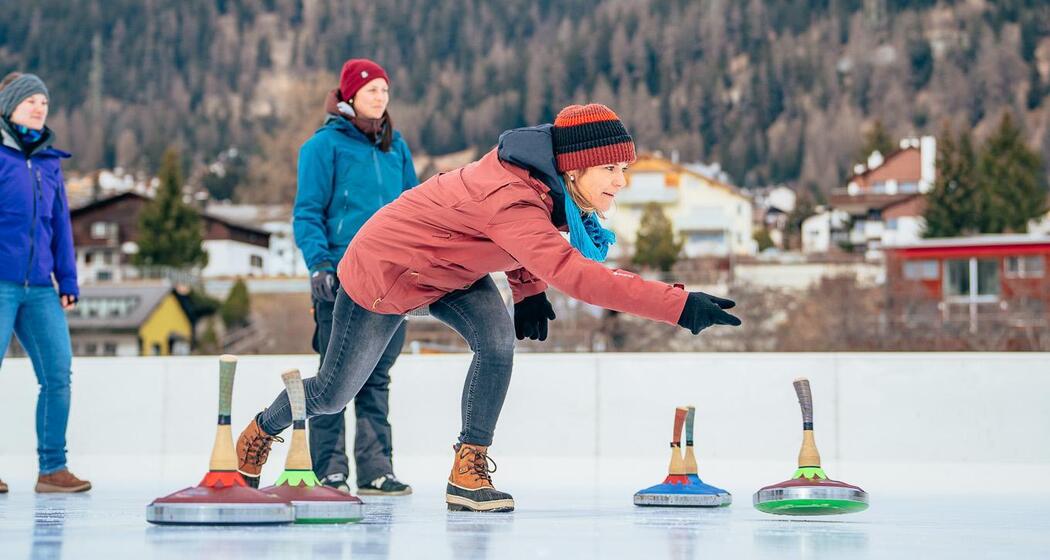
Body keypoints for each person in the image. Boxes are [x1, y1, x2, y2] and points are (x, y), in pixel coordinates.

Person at [236, 104, 740, 512]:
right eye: (611, 168)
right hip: (386, 270)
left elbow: (523, 241)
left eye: (624, 168)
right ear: (576, 165)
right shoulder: (512, 195)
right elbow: (575, 273)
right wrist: (678, 305)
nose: (620, 181)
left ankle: (467, 469)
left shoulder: (544, 186)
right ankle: (261, 430)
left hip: (452, 270)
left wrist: (527, 290)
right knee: (332, 393)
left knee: (497, 344)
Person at [282, 59, 417, 496]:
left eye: (385, 90)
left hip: (391, 281)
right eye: (372, 89)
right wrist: (319, 264)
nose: (380, 97)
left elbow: (416, 211)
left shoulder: (395, 149)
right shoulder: (322, 147)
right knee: (334, 377)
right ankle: (329, 469)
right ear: (349, 95)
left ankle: (377, 470)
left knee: (377, 376)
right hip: (340, 278)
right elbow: (307, 213)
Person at [0, 72, 90, 493]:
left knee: (58, 373)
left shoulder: (50, 162)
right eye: (30, 101)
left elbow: (61, 227)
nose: (39, 108)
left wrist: (67, 278)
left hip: (39, 287)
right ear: (10, 106)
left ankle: (52, 469)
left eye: (44, 102)